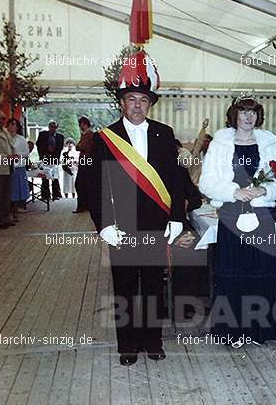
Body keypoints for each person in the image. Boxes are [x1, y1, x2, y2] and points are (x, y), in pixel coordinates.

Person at [89, 50, 184, 365]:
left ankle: (153, 341)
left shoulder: (164, 134)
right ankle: (127, 345)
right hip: (123, 223)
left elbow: (175, 179)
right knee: (126, 287)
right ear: (122, 102)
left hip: (157, 221)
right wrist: (104, 224)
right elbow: (92, 185)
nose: (138, 105)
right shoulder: (106, 138)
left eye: (143, 100)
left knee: (155, 285)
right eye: (132, 99)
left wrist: (177, 218)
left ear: (150, 103)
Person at [199, 96, 276, 347]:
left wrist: (264, 191)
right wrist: (233, 192)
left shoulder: (270, 143)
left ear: (258, 117)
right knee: (233, 273)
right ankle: (234, 332)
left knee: (261, 271)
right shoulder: (219, 144)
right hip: (231, 216)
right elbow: (206, 183)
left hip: (261, 216)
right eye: (243, 112)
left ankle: (260, 331)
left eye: (252, 112)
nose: (248, 117)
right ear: (234, 116)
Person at [6, 118, 30, 220]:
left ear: (17, 127)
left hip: (18, 166)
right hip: (6, 166)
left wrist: (17, 155)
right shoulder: (5, 138)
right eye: (10, 124)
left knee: (17, 189)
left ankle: (16, 210)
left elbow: (26, 153)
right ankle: (7, 211)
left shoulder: (21, 139)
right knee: (8, 189)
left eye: (14, 124)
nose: (12, 126)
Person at [35, 120, 64, 200]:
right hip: (45, 158)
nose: (53, 128)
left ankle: (56, 194)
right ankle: (45, 195)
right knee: (45, 177)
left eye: (55, 127)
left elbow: (60, 148)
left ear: (57, 128)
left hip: (55, 159)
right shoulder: (42, 135)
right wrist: (42, 156)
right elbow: (38, 145)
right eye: (51, 127)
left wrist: (55, 157)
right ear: (49, 127)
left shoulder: (60, 136)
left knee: (55, 176)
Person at [74, 116, 94, 213]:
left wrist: (79, 146)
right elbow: (78, 147)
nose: (80, 126)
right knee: (83, 183)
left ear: (85, 124)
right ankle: (86, 204)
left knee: (80, 183)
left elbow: (80, 146)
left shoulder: (89, 134)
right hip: (84, 160)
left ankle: (83, 205)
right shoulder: (85, 135)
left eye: (81, 124)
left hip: (86, 160)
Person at [188, 118, 212, 187]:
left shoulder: (213, 157)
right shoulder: (195, 155)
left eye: (206, 141)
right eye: (202, 141)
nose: (203, 143)